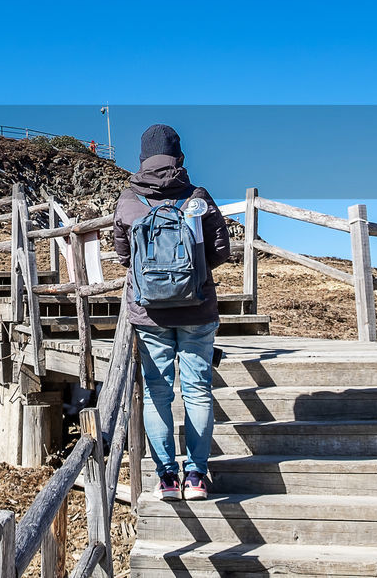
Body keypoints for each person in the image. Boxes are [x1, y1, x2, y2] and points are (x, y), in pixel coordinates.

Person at [113, 124, 230, 502]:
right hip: (197, 308)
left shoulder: (129, 200)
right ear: (179, 156)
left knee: (156, 392)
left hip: (150, 314)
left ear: (143, 158)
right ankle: (196, 476)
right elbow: (220, 251)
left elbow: (123, 256)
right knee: (197, 392)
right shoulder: (197, 197)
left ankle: (166, 477)